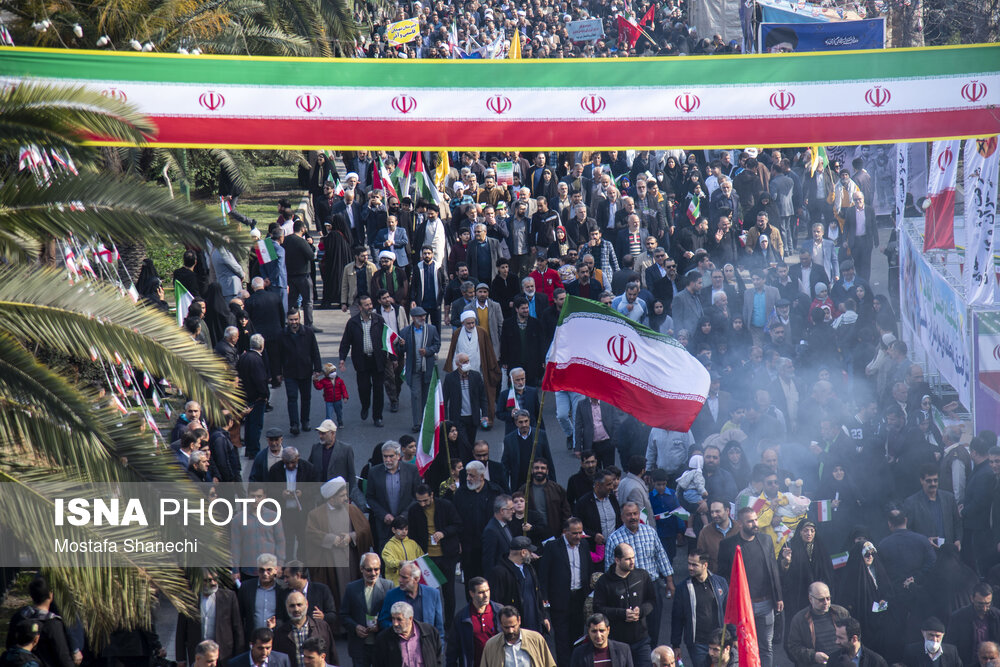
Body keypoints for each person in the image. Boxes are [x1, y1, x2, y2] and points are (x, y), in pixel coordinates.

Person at [717, 508, 784, 667]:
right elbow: (723, 576)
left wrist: (778, 597)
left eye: (755, 520)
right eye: (750, 521)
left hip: (766, 604)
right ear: (739, 524)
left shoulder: (766, 540)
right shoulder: (727, 545)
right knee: (741, 647)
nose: (755, 524)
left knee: (765, 647)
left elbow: (773, 570)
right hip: (742, 608)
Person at [605, 502, 675, 648]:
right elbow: (609, 569)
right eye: (628, 514)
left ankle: (652, 658)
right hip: (628, 589)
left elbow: (661, 556)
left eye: (635, 513)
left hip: (652, 586)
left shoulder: (650, 532)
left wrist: (669, 581)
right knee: (634, 630)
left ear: (639, 514)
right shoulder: (614, 539)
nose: (633, 517)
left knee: (654, 626)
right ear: (622, 517)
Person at [304, 476, 373, 607]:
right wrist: (332, 539)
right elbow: (310, 534)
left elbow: (365, 530)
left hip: (352, 561)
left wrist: (351, 537)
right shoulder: (316, 514)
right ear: (331, 498)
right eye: (342, 496)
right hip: (331, 563)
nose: (346, 498)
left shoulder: (352, 510)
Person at [407, 484, 463, 628]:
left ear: (432, 495)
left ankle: (449, 624)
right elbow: (412, 534)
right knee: (427, 593)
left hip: (446, 556)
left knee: (448, 592)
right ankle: (429, 624)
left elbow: (458, 524)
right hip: (427, 557)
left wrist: (443, 532)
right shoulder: (414, 510)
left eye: (425, 500)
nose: (423, 504)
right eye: (419, 501)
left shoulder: (445, 505)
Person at [539, 518, 592, 665]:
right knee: (562, 639)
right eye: (574, 533)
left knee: (577, 637)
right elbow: (544, 574)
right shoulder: (552, 547)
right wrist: (544, 597)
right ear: (564, 532)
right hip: (560, 600)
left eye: (580, 532)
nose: (578, 536)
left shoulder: (584, 545)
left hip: (579, 598)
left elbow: (588, 569)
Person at [594, 542, 656, 667]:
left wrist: (641, 611)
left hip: (641, 640)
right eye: (627, 559)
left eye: (633, 557)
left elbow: (652, 600)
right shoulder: (604, 581)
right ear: (617, 560)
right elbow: (598, 608)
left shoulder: (642, 576)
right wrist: (622, 614)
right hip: (617, 643)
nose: (632, 561)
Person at [670, 549, 728, 666]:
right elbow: (677, 618)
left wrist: (733, 637)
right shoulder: (683, 588)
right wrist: (675, 645)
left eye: (694, 565)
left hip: (718, 641)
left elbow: (729, 611)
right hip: (697, 643)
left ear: (705, 565)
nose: (690, 568)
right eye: (689, 563)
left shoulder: (720, 582)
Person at [338, 294, 387, 427]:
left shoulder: (379, 320)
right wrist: (342, 358)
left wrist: (393, 358)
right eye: (366, 305)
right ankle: (365, 406)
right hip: (362, 361)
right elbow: (345, 342)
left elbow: (387, 340)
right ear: (360, 307)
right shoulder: (353, 323)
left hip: (377, 360)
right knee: (364, 388)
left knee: (378, 389)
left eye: (370, 304)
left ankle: (377, 417)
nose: (370, 307)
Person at [176, 572, 244, 667]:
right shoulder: (189, 598)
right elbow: (181, 630)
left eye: (215, 579)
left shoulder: (229, 597)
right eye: (207, 580)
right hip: (198, 654)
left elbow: (237, 628)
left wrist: (239, 657)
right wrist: (180, 658)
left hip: (223, 655)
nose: (213, 583)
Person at [488, 536, 550, 635]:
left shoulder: (529, 568)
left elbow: (538, 594)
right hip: (515, 629)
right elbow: (496, 602)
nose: (532, 554)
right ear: (523, 552)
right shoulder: (500, 573)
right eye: (530, 551)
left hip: (534, 625)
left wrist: (543, 617)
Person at [340, 553, 392, 667]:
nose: (373, 573)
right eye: (369, 570)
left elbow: (392, 616)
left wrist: (381, 625)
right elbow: (343, 615)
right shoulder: (351, 588)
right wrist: (355, 627)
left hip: (381, 645)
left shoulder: (388, 586)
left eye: (376, 569)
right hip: (359, 647)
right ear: (361, 569)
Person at [454, 461, 502, 582]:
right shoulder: (461, 494)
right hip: (469, 547)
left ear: (481, 476)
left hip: (490, 546)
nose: (468, 478)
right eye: (467, 475)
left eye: (472, 476)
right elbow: (456, 519)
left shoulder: (495, 492)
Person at [377, 561, 446, 641]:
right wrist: (397, 627)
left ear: (416, 579)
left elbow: (439, 628)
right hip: (400, 644)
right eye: (400, 576)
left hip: (426, 644)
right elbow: (383, 621)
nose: (400, 580)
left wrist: (440, 650)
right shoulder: (392, 595)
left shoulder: (433, 594)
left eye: (404, 578)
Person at [786, 581, 849, 667]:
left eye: (828, 598)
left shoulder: (841, 613)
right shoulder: (800, 620)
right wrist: (813, 656)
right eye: (821, 599)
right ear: (810, 599)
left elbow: (852, 637)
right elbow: (793, 647)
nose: (826, 602)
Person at [903, 463, 963, 550]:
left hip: (947, 551)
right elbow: (907, 530)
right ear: (921, 481)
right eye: (929, 481)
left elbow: (957, 523)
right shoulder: (911, 503)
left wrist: (958, 540)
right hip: (925, 551)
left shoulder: (949, 498)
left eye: (935, 480)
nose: (933, 484)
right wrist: (924, 541)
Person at [446, 577, 502, 667]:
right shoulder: (462, 618)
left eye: (487, 590)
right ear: (472, 593)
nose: (486, 595)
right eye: (481, 592)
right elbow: (452, 650)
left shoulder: (499, 612)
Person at [481, 606, 556, 667]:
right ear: (500, 624)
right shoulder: (491, 646)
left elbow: (550, 664)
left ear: (519, 621)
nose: (510, 631)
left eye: (513, 626)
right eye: (506, 627)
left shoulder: (536, 639)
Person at [946, 582, 1000, 666]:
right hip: (966, 663)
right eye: (980, 604)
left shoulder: (997, 616)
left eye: (987, 604)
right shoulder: (958, 617)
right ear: (972, 598)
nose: (984, 608)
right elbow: (950, 646)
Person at [373, 601, 442, 667]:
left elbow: (438, 660)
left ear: (410, 619)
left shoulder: (430, 632)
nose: (395, 623)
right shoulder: (383, 639)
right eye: (393, 619)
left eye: (399, 619)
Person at [501, 410, 555, 493]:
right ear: (516, 423)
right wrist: (505, 489)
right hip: (519, 482)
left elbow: (548, 460)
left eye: (526, 421)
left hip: (538, 479)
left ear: (529, 420)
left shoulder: (540, 435)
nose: (524, 425)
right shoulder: (509, 439)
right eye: (521, 422)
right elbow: (505, 465)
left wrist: (553, 483)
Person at [235, 558, 283, 650]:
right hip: (252, 641)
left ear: (275, 570)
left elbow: (285, 616)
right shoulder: (246, 587)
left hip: (276, 640)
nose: (265, 574)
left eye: (269, 570)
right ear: (257, 571)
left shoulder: (283, 589)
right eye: (261, 570)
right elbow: (240, 616)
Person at [442, 351, 489, 444]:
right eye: (464, 362)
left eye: (468, 361)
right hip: (457, 417)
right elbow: (444, 398)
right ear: (457, 364)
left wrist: (484, 414)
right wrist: (445, 417)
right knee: (463, 442)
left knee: (471, 442)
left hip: (473, 417)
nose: (467, 364)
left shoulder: (476, 376)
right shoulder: (450, 378)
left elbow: (482, 397)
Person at [570, 613, 635, 667]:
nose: (598, 635)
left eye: (601, 630)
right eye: (594, 631)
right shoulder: (579, 653)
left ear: (608, 630)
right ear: (588, 631)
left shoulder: (623, 650)